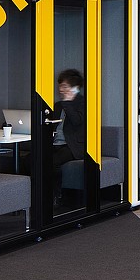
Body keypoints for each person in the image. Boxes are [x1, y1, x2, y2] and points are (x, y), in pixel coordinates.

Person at [52, 68, 86, 207]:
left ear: (75, 87)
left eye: (64, 86)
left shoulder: (83, 103)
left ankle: (55, 195)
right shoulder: (58, 105)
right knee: (31, 159)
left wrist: (67, 103)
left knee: (52, 162)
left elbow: (77, 121)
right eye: (60, 86)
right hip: (56, 144)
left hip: (74, 146)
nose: (60, 89)